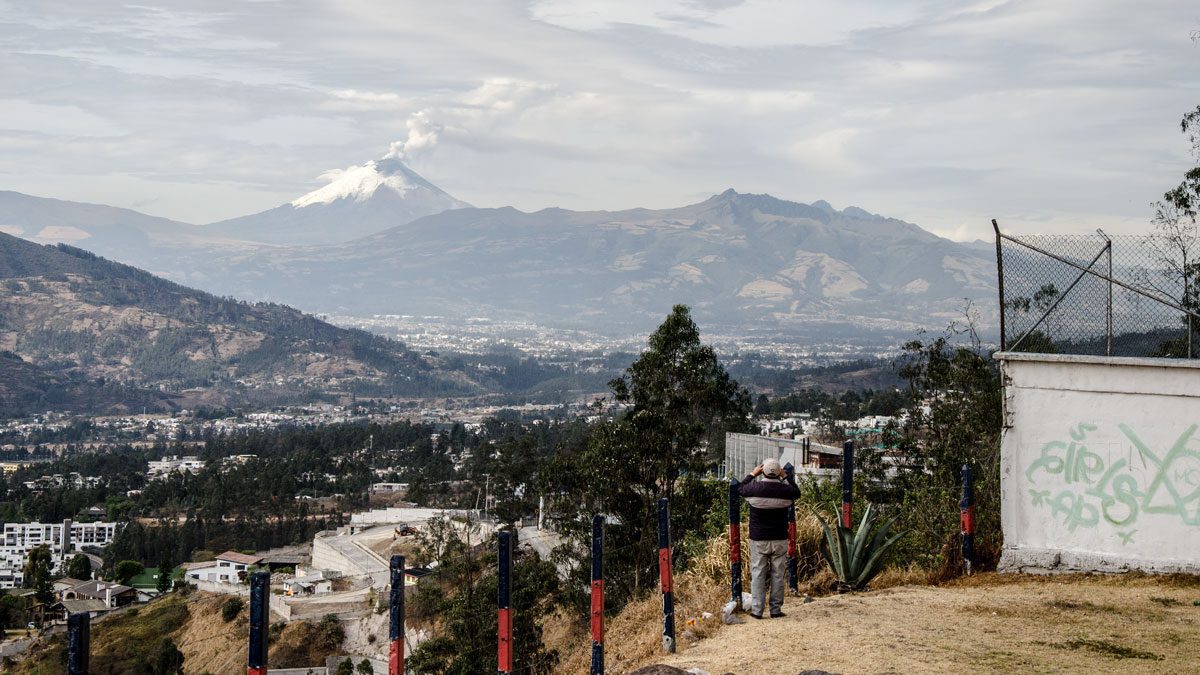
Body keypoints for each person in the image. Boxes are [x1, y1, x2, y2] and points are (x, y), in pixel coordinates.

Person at [737, 456, 800, 619]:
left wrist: (752, 474)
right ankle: (775, 609)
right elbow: (796, 492)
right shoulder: (786, 492)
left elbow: (740, 488)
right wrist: (785, 476)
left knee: (758, 573)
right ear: (779, 472)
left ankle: (757, 610)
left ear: (762, 471)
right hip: (779, 538)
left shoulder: (754, 489)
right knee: (778, 574)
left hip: (759, 539)